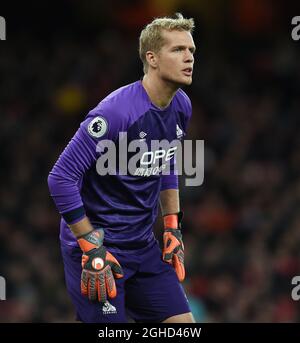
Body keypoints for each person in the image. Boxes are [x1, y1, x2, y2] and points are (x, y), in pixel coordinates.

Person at [48, 12, 196, 323]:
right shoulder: (116, 112)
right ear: (152, 58)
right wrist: (90, 246)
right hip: (100, 250)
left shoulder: (181, 105)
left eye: (191, 50)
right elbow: (61, 178)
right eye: (178, 50)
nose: (189, 57)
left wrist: (172, 226)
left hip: (143, 246)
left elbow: (166, 160)